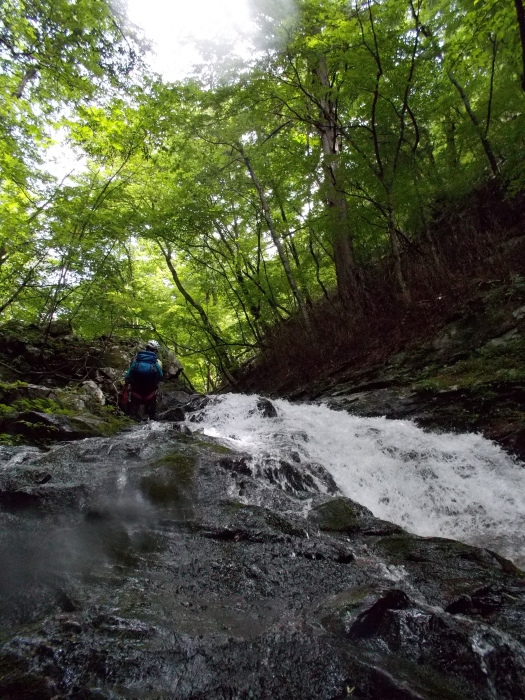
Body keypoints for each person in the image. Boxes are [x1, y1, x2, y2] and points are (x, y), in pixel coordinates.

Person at [124, 340, 163, 419]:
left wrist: (128, 381)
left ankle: (131, 421)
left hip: (136, 390)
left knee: (132, 415)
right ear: (155, 351)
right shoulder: (156, 362)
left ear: (146, 348)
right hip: (150, 391)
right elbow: (161, 375)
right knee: (152, 416)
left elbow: (128, 374)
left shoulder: (137, 360)